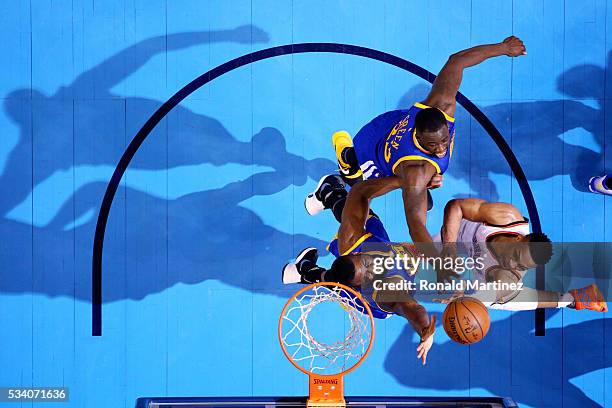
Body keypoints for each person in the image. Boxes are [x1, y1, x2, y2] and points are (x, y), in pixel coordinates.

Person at [306, 36, 527, 266]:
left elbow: (457, 61)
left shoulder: (442, 104)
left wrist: (502, 48)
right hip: (374, 155)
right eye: (433, 146)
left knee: (425, 201)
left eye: (445, 140)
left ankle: (347, 171)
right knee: (357, 189)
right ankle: (337, 179)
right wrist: (439, 265)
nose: (441, 150)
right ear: (418, 138)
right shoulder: (416, 170)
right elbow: (415, 225)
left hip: (389, 125)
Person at [284, 175, 436, 365]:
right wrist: (425, 330)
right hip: (369, 293)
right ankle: (305, 271)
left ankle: (329, 194)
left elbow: (361, 192)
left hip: (365, 260)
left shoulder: (355, 244)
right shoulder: (389, 293)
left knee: (360, 218)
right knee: (338, 278)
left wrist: (405, 181)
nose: (371, 261)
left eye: (365, 260)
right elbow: (413, 309)